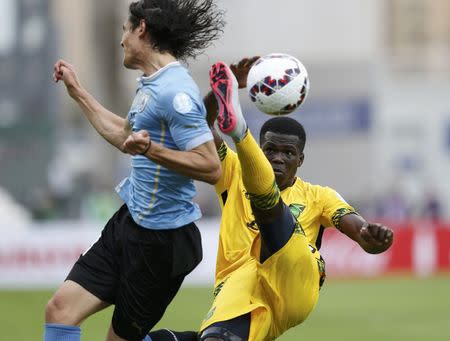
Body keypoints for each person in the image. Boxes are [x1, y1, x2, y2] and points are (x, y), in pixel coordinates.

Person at [146, 58, 394, 341]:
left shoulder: (319, 195)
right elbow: (198, 127)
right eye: (270, 150)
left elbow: (358, 229)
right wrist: (218, 93)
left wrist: (370, 236)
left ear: (300, 159)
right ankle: (238, 130)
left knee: (270, 210)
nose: (277, 158)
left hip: (294, 282)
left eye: (287, 153)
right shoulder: (234, 172)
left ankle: (240, 133)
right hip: (239, 284)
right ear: (262, 151)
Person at [45, 1, 225, 341]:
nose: (122, 40)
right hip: (130, 224)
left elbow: (210, 166)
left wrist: (151, 150)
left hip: (162, 243)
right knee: (60, 310)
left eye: (125, 30)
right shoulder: (151, 83)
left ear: (141, 28)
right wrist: (78, 92)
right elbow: (125, 136)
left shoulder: (176, 92)